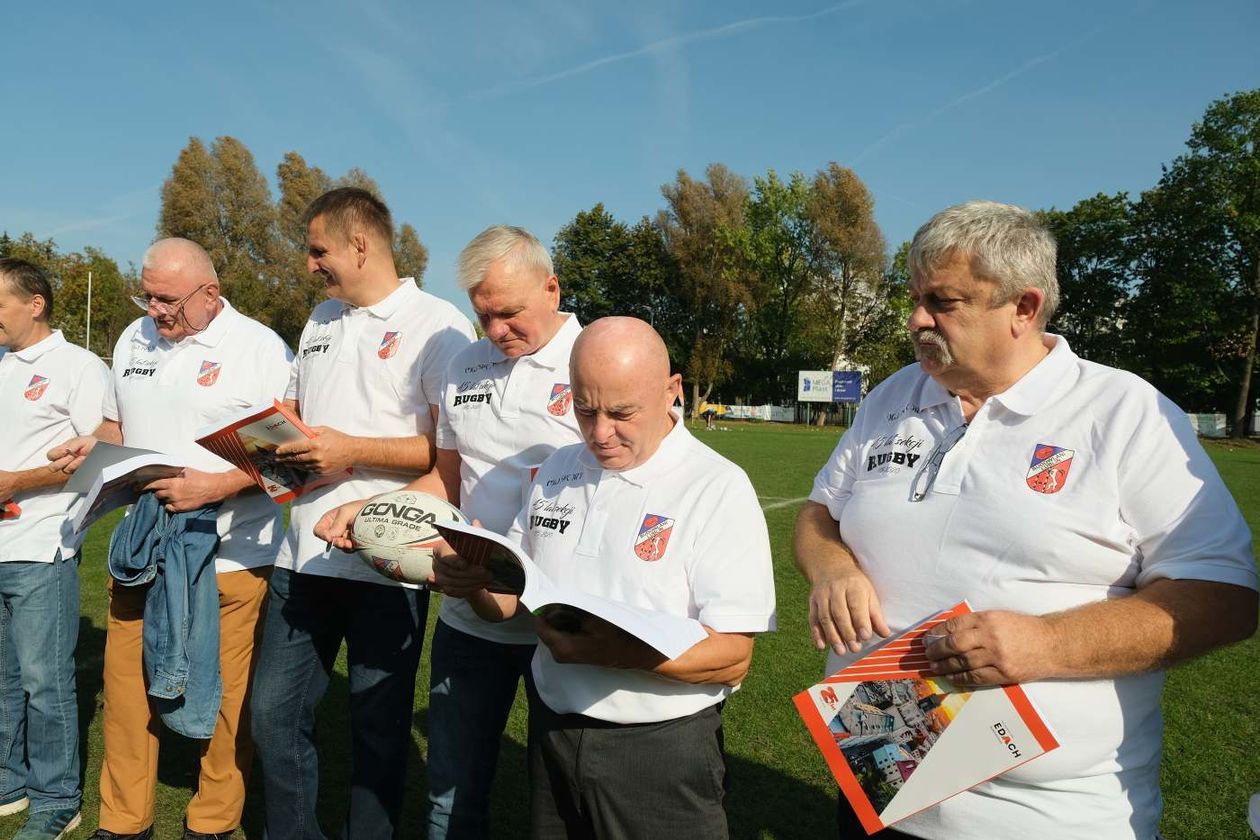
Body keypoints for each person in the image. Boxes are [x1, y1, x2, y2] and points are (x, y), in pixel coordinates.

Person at [794, 201, 1259, 839]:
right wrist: (832, 568)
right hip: (880, 778)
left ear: (1023, 307)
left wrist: (1045, 645)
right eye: (914, 297)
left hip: (1046, 817)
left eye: (943, 301)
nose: (915, 319)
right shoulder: (892, 396)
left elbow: (1225, 596)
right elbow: (821, 512)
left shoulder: (1124, 412)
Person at [435, 316, 777, 839]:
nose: (599, 433)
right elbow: (509, 602)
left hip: (658, 749)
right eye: (584, 409)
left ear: (671, 392)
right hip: (552, 731)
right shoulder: (557, 469)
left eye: (621, 413)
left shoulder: (717, 487)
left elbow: (733, 654)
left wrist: (608, 651)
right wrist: (478, 580)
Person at [315, 225, 583, 839]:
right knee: (450, 797)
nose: (495, 331)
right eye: (483, 315)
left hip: (562, 617)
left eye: (509, 313)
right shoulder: (465, 366)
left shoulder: (594, 357)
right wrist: (368, 509)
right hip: (470, 615)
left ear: (551, 288)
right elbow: (446, 478)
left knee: (565, 803)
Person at [249, 188, 474, 839]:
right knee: (273, 716)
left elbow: (448, 452)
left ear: (359, 244)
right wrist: (253, 457)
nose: (309, 265)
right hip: (301, 557)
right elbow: (290, 428)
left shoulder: (439, 324)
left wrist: (350, 451)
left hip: (386, 560)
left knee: (378, 730)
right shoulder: (319, 319)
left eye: (318, 250)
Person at [52, 238, 292, 840]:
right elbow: (117, 422)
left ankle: (212, 821)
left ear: (210, 294)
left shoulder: (258, 348)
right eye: (148, 296)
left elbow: (289, 458)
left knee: (226, 698)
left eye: (168, 300)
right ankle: (123, 822)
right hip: (143, 550)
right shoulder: (134, 337)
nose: (155, 311)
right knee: (126, 692)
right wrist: (97, 446)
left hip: (232, 555)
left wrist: (215, 488)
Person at [0, 259, 109, 840]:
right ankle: (8, 783)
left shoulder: (79, 366)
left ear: (35, 303)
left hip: (44, 544)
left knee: (45, 681)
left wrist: (17, 483)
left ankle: (57, 798)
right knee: (1, 677)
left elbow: (96, 454)